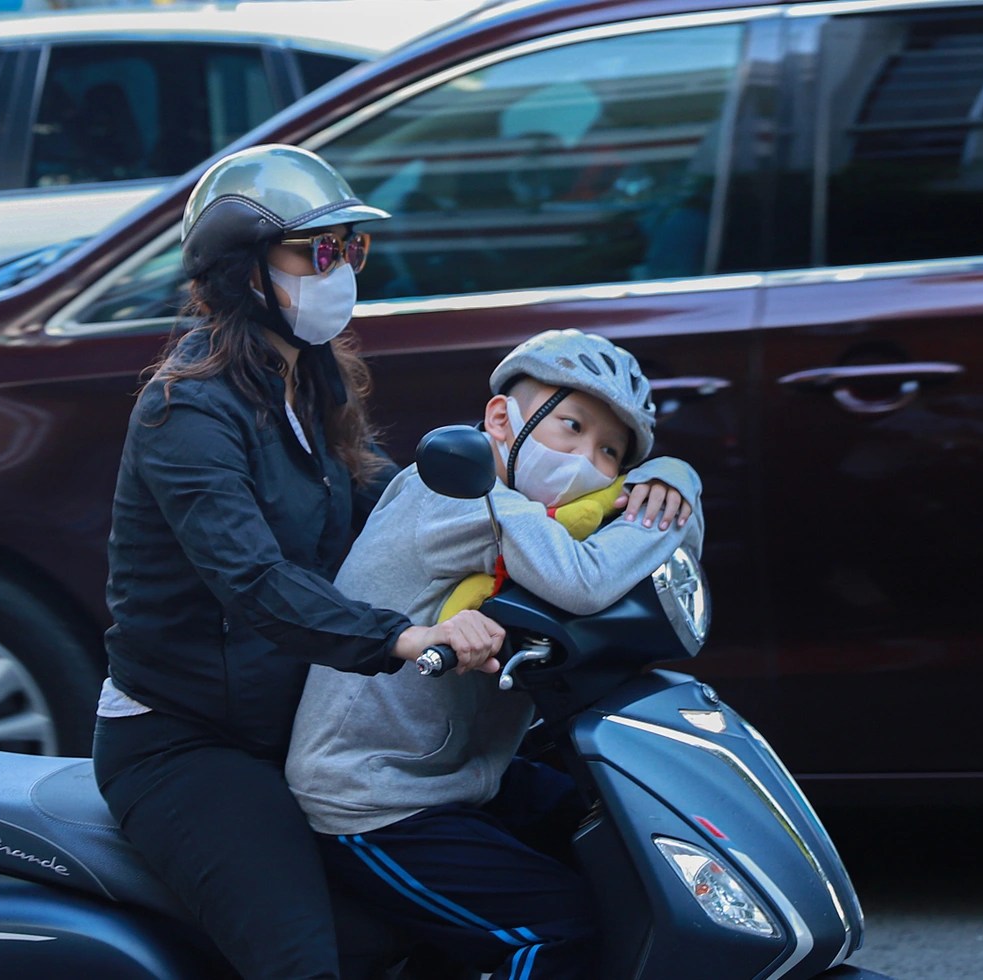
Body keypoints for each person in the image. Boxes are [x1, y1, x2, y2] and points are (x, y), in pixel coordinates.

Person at [91, 144, 505, 980]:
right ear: (243, 271)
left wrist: (570, 502)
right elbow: (253, 582)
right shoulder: (185, 411)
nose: (341, 269)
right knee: (304, 965)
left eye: (353, 248)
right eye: (318, 251)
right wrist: (402, 638)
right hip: (189, 742)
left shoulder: (311, 382)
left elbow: (393, 504)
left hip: (301, 725)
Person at [287, 329, 704, 979]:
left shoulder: (535, 514)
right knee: (558, 931)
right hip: (374, 796)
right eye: (572, 426)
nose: (586, 460)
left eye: (610, 452)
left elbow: (626, 551)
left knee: (630, 846)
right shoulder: (456, 492)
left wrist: (668, 476)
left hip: (460, 775)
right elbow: (585, 579)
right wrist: (672, 504)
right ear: (501, 420)